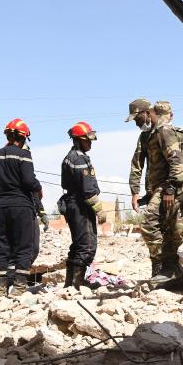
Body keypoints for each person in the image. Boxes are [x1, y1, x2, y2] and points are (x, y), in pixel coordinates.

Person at [0, 119, 43, 296]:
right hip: (22, 207)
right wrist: (38, 188)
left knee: (2, 248)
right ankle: (18, 288)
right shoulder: (24, 155)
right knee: (24, 247)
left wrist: (0, 195)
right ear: (23, 138)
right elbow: (28, 180)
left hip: (1, 207)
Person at [135, 101, 183, 286]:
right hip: (160, 188)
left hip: (170, 188)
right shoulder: (148, 135)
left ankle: (167, 268)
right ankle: (173, 276)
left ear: (148, 113)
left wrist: (171, 189)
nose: (136, 122)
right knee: (167, 231)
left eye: (138, 117)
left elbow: (179, 162)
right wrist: (137, 191)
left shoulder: (165, 131)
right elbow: (138, 164)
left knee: (155, 225)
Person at [60, 122, 106, 289]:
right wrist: (98, 208)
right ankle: (77, 284)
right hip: (81, 205)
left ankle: (70, 284)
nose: (90, 143)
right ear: (78, 140)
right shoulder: (78, 158)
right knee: (86, 246)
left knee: (78, 245)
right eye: (87, 140)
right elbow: (87, 189)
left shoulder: (72, 157)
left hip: (73, 204)